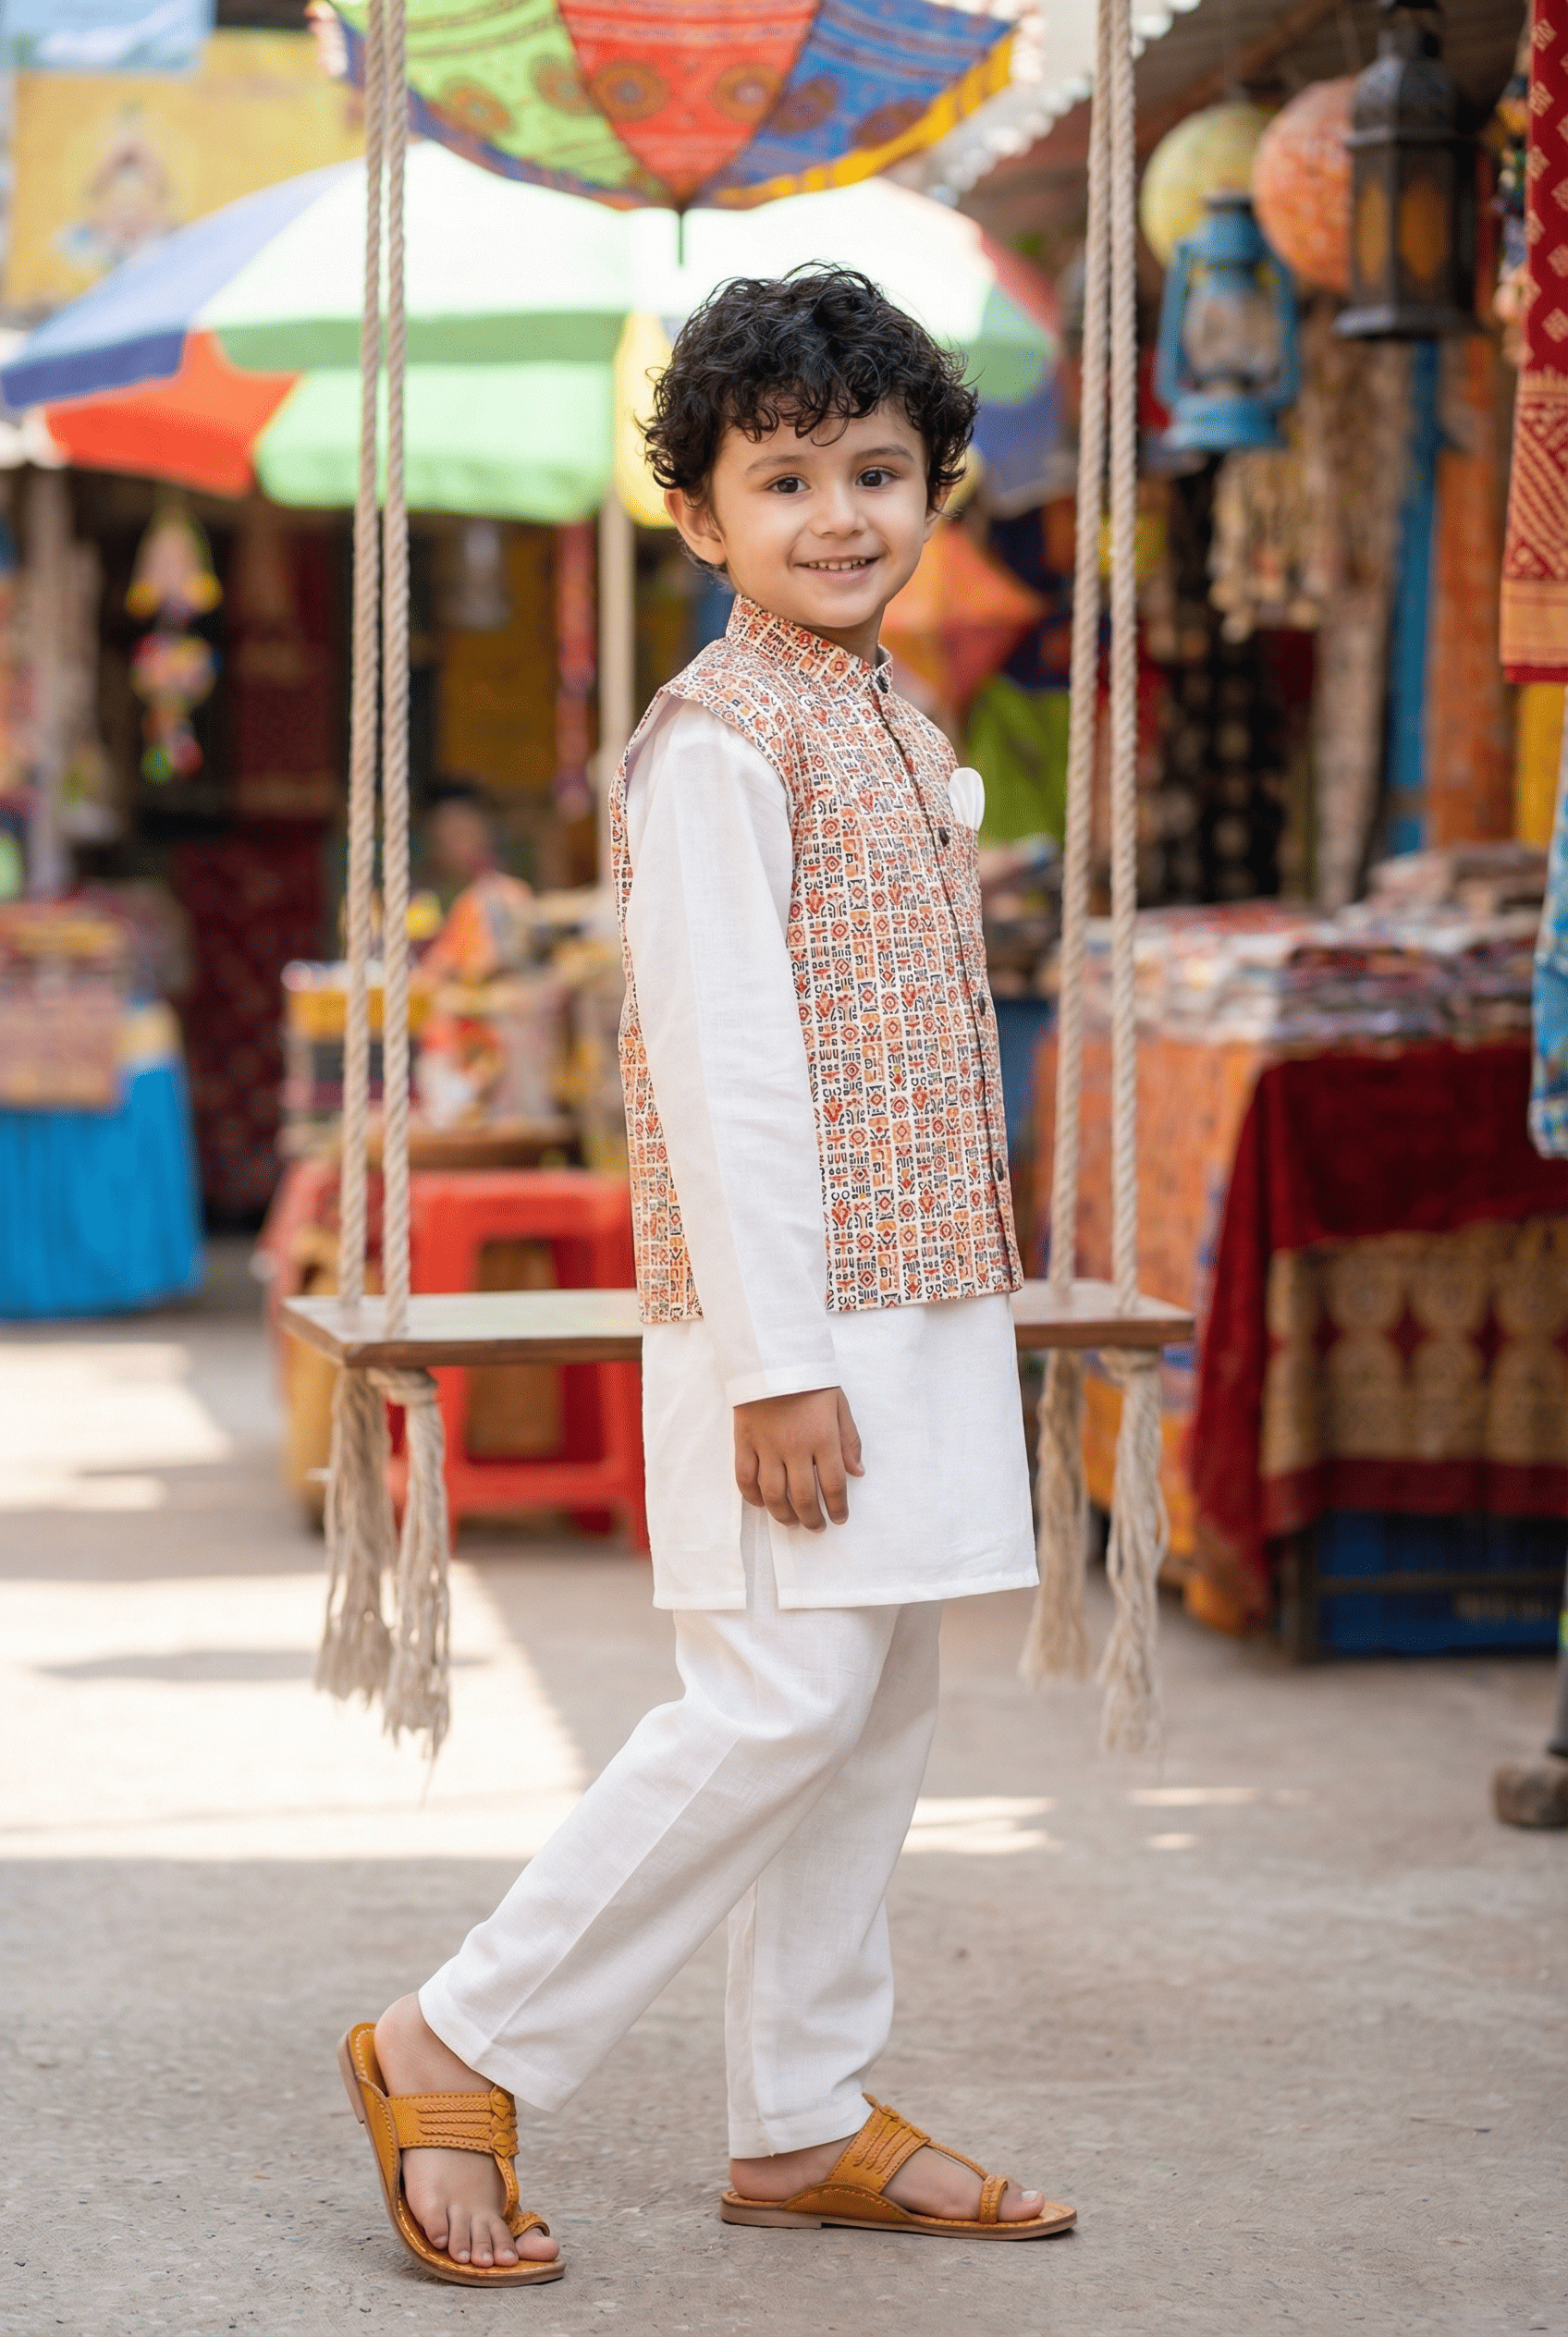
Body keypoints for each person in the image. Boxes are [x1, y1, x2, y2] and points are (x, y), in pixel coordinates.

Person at [337, 267, 1074, 2289]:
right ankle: (457, 2037)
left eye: (877, 473)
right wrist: (773, 1364)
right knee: (772, 1701)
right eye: (785, 480)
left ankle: (801, 2112)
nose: (839, 516)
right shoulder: (714, 744)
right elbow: (726, 1075)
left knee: (875, 1702)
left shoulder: (884, 710)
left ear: (931, 486)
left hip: (917, 1301)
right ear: (698, 516)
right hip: (789, 1327)